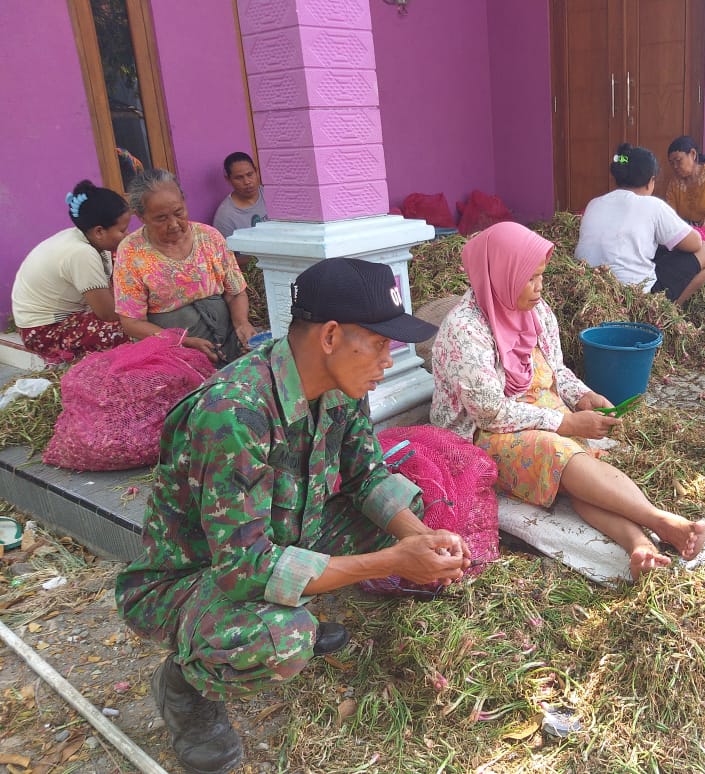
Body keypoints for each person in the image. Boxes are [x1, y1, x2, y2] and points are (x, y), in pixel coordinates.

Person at [116, 257, 469, 774]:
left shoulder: (339, 387)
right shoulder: (233, 413)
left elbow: (367, 478)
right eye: (378, 343)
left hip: (277, 540)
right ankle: (184, 688)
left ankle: (293, 599)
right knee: (282, 640)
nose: (387, 361)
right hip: (191, 578)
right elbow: (244, 568)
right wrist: (393, 561)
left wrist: (422, 538)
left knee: (400, 508)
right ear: (330, 336)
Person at [432, 221, 705, 581]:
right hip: (483, 434)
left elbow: (557, 370)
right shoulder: (465, 330)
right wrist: (565, 422)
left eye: (541, 276)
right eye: (530, 278)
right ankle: (661, 521)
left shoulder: (536, 311)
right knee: (558, 452)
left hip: (540, 410)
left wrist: (584, 397)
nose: (539, 287)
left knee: (580, 470)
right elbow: (489, 412)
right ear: (501, 275)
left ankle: (639, 543)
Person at [114, 169, 258, 365]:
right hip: (170, 349)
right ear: (141, 216)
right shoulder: (131, 251)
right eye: (161, 218)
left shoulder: (209, 236)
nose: (174, 224)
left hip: (227, 336)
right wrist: (182, 341)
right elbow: (132, 322)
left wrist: (242, 323)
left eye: (179, 212)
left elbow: (235, 292)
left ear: (183, 201)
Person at [575, 144, 705, 305]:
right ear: (650, 181)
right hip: (633, 298)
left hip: (587, 290)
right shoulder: (653, 205)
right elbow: (695, 243)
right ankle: (668, 312)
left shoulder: (594, 203)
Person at [12, 181, 131, 363]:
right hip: (43, 331)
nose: (127, 234)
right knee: (131, 329)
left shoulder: (90, 239)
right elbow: (108, 314)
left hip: (69, 316)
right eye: (122, 230)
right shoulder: (82, 253)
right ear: (99, 231)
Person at [212, 151, 268, 269]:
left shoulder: (270, 194)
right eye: (239, 178)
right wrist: (261, 257)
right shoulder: (225, 216)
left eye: (250, 174)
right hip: (253, 271)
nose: (247, 182)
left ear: (256, 172)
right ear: (228, 180)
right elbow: (224, 260)